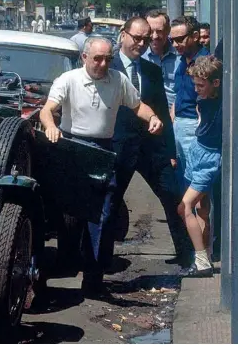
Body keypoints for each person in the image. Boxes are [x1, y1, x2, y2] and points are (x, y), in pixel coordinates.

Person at [39, 36, 164, 298]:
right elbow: (47, 109)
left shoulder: (118, 80)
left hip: (104, 149)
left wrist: (152, 117)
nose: (103, 63)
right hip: (72, 146)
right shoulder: (68, 79)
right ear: (85, 57)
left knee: (104, 214)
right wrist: (50, 126)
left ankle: (93, 278)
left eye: (108, 58)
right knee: (60, 212)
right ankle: (45, 273)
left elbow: (138, 105)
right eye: (97, 58)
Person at [110, 17, 192, 267]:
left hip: (152, 148)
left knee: (172, 197)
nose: (143, 44)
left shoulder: (152, 72)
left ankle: (187, 254)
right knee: (107, 206)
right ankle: (100, 262)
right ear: (123, 35)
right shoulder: (107, 67)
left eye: (146, 40)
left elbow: (163, 114)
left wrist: (170, 151)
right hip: (117, 148)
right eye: (137, 38)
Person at [177, 56, 223, 277]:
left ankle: (202, 259)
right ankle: (204, 257)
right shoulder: (204, 101)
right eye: (195, 85)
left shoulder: (224, 104)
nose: (196, 90)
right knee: (201, 208)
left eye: (200, 85)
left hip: (210, 158)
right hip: (197, 150)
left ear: (216, 83)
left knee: (185, 206)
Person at [170, 16, 209, 190]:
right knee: (183, 177)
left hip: (194, 125)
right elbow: (178, 94)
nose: (175, 44)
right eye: (172, 40)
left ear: (194, 36)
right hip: (179, 124)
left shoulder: (204, 61)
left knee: (195, 182)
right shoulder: (182, 60)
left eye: (179, 39)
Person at [143, 10, 178, 109]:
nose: (155, 36)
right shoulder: (139, 56)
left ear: (168, 31)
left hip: (177, 112)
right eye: (150, 31)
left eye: (159, 31)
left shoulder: (180, 55)